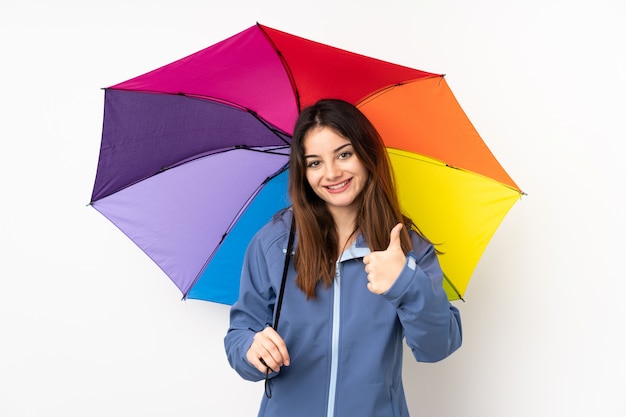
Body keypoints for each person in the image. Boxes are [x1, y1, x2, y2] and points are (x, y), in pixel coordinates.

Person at [224, 98, 462, 417]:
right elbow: (240, 334)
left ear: (366, 155)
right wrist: (251, 349)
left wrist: (405, 283)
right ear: (302, 172)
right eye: (314, 162)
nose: (332, 173)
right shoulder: (273, 242)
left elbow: (438, 346)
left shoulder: (405, 247)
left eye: (344, 154)